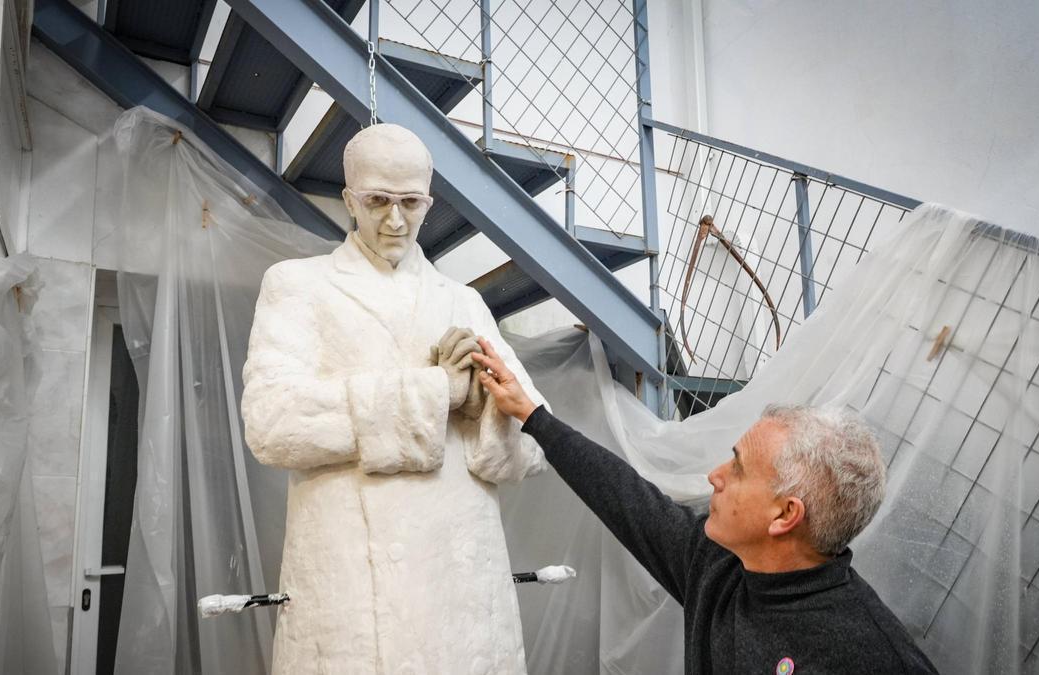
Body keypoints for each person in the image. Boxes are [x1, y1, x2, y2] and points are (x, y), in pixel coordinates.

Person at [240, 124, 547, 673]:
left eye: (411, 202)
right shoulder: (297, 285)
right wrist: (433, 392)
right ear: (349, 200)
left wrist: (482, 409)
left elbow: (536, 441)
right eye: (378, 201)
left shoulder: (465, 304)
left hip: (460, 596)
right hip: (354, 594)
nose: (396, 220)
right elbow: (273, 423)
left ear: (428, 202)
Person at [471, 338, 939, 674]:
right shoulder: (720, 569)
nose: (715, 476)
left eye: (737, 468)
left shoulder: (870, 656)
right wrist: (533, 417)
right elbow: (625, 497)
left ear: (784, 516)